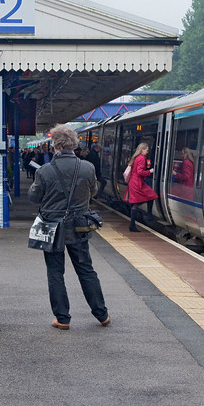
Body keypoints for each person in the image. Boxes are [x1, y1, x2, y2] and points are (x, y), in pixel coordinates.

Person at [29, 124, 110, 330]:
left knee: (55, 272)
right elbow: (93, 192)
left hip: (51, 228)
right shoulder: (87, 167)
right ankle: (102, 314)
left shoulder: (45, 171)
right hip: (79, 227)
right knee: (86, 269)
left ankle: (63, 318)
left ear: (55, 145)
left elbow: (34, 197)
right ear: (74, 145)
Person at [124, 142, 158, 232]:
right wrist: (149, 171)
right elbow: (140, 172)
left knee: (137, 202)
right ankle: (148, 216)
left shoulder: (136, 158)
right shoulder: (142, 158)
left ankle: (133, 224)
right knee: (151, 196)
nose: (147, 152)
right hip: (138, 183)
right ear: (142, 149)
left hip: (134, 182)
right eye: (147, 150)